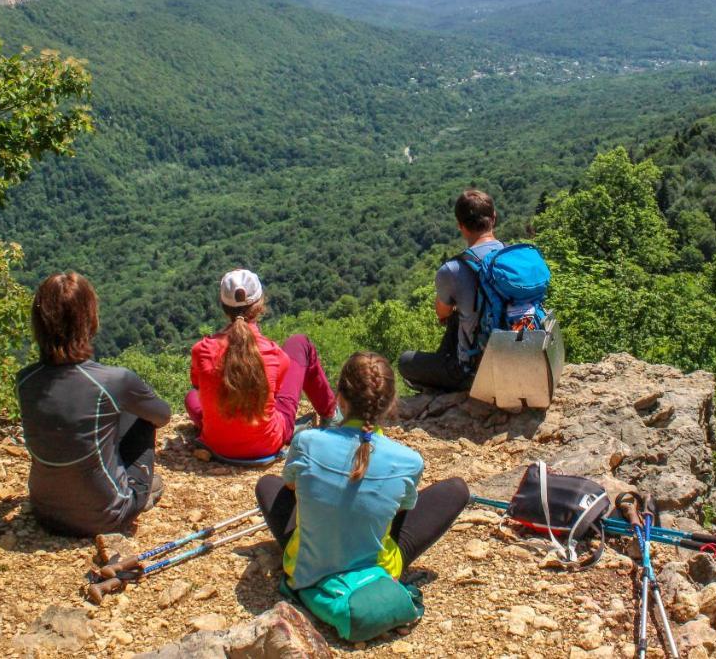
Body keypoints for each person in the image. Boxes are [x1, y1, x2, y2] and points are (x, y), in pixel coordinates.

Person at [255, 352, 469, 590]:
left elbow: (291, 487)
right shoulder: (410, 461)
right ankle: (374, 572)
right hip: (376, 575)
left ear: (340, 400)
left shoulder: (306, 441)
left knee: (268, 484)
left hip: (305, 571)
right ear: (390, 404)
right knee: (456, 490)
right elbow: (401, 511)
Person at [16, 272, 172, 537]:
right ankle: (138, 491)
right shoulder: (114, 380)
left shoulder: (25, 380)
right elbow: (163, 416)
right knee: (141, 417)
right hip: (107, 516)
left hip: (43, 510)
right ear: (89, 320)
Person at [186, 269, 338, 461]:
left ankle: (222, 432)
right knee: (299, 342)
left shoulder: (202, 350)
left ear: (223, 307)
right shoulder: (275, 354)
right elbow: (275, 393)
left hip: (217, 444)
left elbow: (199, 387)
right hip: (267, 443)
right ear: (259, 305)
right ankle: (330, 414)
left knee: (191, 397)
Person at [399, 189, 504, 391]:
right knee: (459, 318)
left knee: (405, 362)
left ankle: (452, 383)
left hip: (475, 371)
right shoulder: (514, 258)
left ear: (460, 226)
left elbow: (442, 312)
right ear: (494, 218)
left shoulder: (453, 270)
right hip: (518, 355)